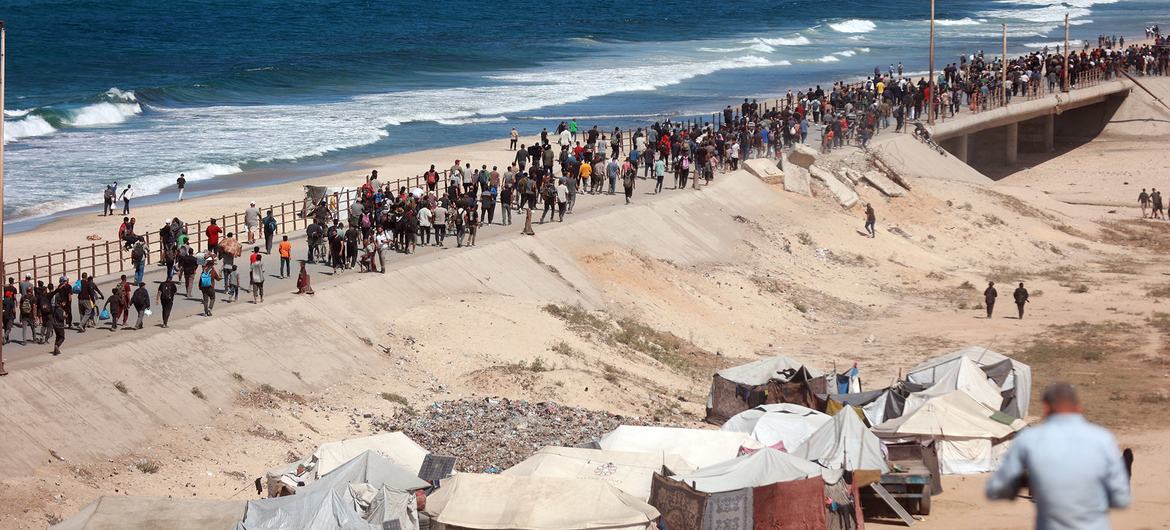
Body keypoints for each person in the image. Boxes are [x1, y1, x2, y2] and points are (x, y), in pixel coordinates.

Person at [986, 383, 1130, 529]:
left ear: (1046, 408)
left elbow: (996, 489)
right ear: (1079, 408)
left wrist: (1025, 482)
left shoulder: (1030, 439)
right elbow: (1121, 498)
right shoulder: (1102, 439)